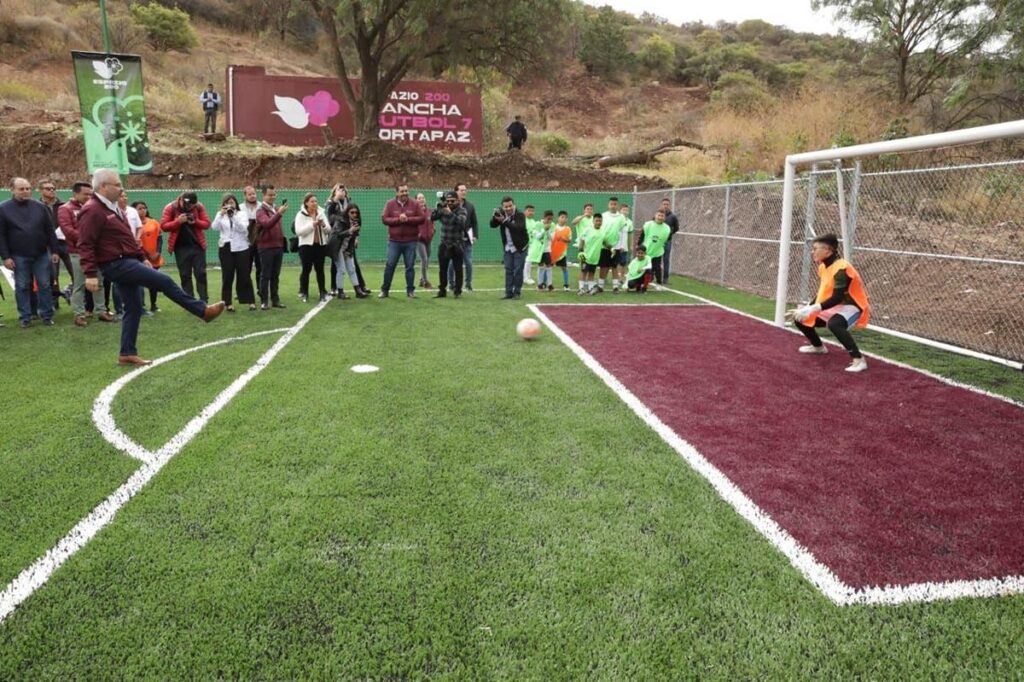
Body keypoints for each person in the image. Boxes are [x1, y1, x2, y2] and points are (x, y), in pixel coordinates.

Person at [77, 169, 224, 365]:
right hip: (116, 263)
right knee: (163, 280)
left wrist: (140, 257)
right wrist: (90, 273)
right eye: (117, 184)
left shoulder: (112, 207)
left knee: (134, 307)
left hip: (127, 260)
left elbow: (126, 237)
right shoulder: (92, 209)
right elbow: (85, 243)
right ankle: (202, 311)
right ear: (103, 187)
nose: (121, 188)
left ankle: (126, 353)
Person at [792, 234, 871, 373]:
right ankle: (818, 347)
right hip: (835, 305)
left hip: (852, 305)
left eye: (815, 248)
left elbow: (837, 297)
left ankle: (859, 360)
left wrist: (814, 308)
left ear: (828, 250)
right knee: (800, 318)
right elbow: (825, 292)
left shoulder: (841, 268)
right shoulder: (823, 267)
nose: (812, 251)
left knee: (835, 324)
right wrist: (808, 308)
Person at [0, 177, 60, 327]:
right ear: (12, 190)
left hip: (41, 253)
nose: (26, 192)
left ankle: (47, 315)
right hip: (18, 255)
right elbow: (1, 235)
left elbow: (49, 231)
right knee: (22, 286)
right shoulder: (3, 209)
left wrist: (54, 251)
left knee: (45, 285)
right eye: (22, 189)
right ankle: (25, 317)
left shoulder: (40, 207)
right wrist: (6, 257)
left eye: (28, 188)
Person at [59, 182, 113, 326]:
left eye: (91, 194)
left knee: (99, 282)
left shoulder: (93, 207)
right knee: (80, 285)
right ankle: (79, 314)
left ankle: (101, 311)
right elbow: (67, 230)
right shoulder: (66, 209)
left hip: (97, 252)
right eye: (86, 194)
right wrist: (88, 237)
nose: (89, 197)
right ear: (75, 193)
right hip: (78, 252)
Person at [160, 191, 210, 302]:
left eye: (192, 205)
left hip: (197, 246)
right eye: (188, 205)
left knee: (201, 273)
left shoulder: (199, 206)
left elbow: (207, 224)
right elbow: (163, 226)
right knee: (185, 275)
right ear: (182, 200)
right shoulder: (170, 207)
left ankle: (203, 300)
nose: (190, 207)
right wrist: (178, 221)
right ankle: (190, 302)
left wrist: (195, 221)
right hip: (180, 248)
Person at [211, 193, 256, 311]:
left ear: (236, 203)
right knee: (227, 275)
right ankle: (227, 303)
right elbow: (214, 227)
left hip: (241, 247)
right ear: (223, 205)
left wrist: (233, 216)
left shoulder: (241, 214)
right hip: (225, 247)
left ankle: (250, 301)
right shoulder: (220, 215)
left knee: (244, 275)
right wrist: (221, 215)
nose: (230, 205)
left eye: (232, 202)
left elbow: (243, 229)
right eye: (227, 203)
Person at [379, 183, 424, 298]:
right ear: (397, 193)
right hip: (394, 241)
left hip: (411, 241)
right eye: (402, 191)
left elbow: (422, 218)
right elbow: (384, 219)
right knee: (390, 265)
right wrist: (398, 220)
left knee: (410, 267)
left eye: (406, 191)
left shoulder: (415, 204)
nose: (405, 193)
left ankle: (410, 291)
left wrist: (407, 219)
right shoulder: (389, 204)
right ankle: (385, 290)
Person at [294, 192, 331, 303]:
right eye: (312, 201)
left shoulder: (321, 213)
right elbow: (299, 232)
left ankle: (322, 292)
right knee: (306, 270)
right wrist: (312, 225)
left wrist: (323, 224)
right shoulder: (300, 214)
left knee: (320, 269)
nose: (314, 203)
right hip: (306, 247)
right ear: (306, 203)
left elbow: (329, 230)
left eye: (315, 201)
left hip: (320, 245)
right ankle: (304, 292)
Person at [431, 190, 469, 298]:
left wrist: (450, 213)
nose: (450, 203)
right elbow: (432, 217)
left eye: (452, 201)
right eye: (448, 201)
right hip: (444, 243)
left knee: (458, 269)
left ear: (457, 200)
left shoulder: (462, 210)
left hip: (457, 244)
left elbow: (461, 224)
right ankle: (442, 290)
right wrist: (438, 208)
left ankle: (457, 291)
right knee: (442, 269)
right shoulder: (444, 208)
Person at [255, 185, 288, 310]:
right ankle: (264, 301)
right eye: (270, 195)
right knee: (266, 275)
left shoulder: (275, 209)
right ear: (263, 195)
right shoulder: (260, 210)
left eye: (274, 195)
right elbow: (267, 224)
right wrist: (279, 214)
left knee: (275, 275)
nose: (272, 197)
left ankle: (275, 300)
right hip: (266, 247)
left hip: (278, 246)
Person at [490, 196, 528, 299]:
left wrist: (504, 221)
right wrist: (495, 217)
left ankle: (517, 293)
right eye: (506, 207)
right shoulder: (501, 213)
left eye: (510, 206)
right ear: (503, 207)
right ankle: (508, 293)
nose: (508, 208)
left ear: (514, 205)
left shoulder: (520, 215)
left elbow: (518, 228)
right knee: (508, 270)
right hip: (508, 247)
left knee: (518, 270)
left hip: (520, 247)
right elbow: (492, 225)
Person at [328, 202, 366, 299]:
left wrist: (350, 250)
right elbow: (337, 235)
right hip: (336, 247)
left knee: (352, 268)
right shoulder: (341, 221)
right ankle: (340, 292)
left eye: (356, 213)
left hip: (346, 248)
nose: (354, 214)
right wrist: (350, 230)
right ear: (347, 212)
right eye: (352, 212)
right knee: (341, 269)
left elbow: (352, 239)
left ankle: (358, 290)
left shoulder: (356, 222)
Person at [133, 201, 165, 314]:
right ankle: (140, 305)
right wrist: (145, 255)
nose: (142, 210)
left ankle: (153, 305)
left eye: (144, 208)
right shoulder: (133, 225)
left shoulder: (154, 222)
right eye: (139, 208)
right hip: (140, 257)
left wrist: (157, 252)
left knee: (153, 281)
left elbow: (160, 239)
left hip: (154, 257)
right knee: (139, 282)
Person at [451, 183, 477, 291]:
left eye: (465, 190)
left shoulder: (470, 206)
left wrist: (475, 235)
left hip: (467, 239)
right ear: (456, 191)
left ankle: (468, 284)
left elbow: (474, 222)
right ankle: (451, 284)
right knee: (452, 263)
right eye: (461, 190)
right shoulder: (450, 204)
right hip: (454, 239)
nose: (464, 192)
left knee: (469, 262)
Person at [600, 197, 628, 292]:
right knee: (603, 266)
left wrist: (622, 245)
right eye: (611, 204)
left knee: (614, 266)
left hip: (616, 247)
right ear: (608, 205)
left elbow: (623, 232)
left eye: (615, 204)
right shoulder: (603, 215)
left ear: (617, 205)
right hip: (604, 246)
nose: (613, 206)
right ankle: (600, 286)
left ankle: (615, 286)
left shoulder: (621, 217)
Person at [638, 210, 671, 285]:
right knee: (644, 267)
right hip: (646, 251)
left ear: (664, 218)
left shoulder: (667, 228)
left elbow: (668, 238)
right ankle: (641, 282)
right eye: (659, 215)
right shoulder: (648, 225)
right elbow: (642, 236)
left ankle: (659, 283)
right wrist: (639, 245)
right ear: (655, 216)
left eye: (662, 216)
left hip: (657, 251)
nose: (660, 217)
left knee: (657, 268)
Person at [240, 185, 262, 286]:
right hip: (245, 242)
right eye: (249, 194)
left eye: (253, 193)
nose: (252, 196)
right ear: (245, 196)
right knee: (245, 267)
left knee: (260, 267)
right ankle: (244, 291)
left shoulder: (262, 206)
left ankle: (260, 289)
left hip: (260, 241)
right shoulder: (240, 207)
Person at [578, 213, 604, 296]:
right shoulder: (588, 229)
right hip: (586, 256)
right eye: (597, 220)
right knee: (584, 272)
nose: (598, 222)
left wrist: (611, 248)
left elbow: (604, 241)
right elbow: (582, 239)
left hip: (595, 257)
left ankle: (590, 288)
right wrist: (581, 251)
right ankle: (581, 288)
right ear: (593, 221)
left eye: (600, 221)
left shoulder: (602, 231)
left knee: (592, 273)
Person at [414, 193, 434, 289]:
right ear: (416, 200)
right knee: (424, 259)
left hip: (429, 239)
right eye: (419, 198)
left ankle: (422, 280)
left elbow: (432, 223)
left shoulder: (430, 211)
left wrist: (433, 230)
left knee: (427, 260)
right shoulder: (414, 212)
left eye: (423, 197)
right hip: (419, 240)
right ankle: (426, 281)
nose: (421, 199)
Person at [659, 197, 680, 284]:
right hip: (658, 241)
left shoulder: (673, 216)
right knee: (656, 259)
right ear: (661, 205)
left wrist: (670, 233)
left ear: (669, 205)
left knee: (666, 259)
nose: (665, 206)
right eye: (664, 204)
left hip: (667, 241)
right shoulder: (658, 214)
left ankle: (665, 278)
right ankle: (655, 276)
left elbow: (676, 228)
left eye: (667, 204)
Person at [551, 210, 573, 291]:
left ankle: (566, 285)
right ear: (558, 218)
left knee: (564, 268)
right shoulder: (553, 227)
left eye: (565, 217)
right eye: (562, 217)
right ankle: (547, 284)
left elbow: (570, 240)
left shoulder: (568, 229)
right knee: (548, 268)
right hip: (552, 252)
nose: (563, 219)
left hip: (562, 253)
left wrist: (565, 239)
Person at [535, 210, 555, 292]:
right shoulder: (538, 224)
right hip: (540, 250)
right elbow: (537, 237)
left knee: (549, 267)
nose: (549, 221)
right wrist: (544, 230)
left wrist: (547, 230)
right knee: (540, 266)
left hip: (548, 249)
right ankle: (540, 284)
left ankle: (549, 284)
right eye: (548, 219)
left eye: (551, 219)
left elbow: (552, 238)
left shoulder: (553, 225)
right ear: (544, 217)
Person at [524, 205, 542, 286]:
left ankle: (527, 277)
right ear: (525, 211)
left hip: (531, 245)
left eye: (532, 211)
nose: (531, 212)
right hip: (523, 245)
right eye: (529, 210)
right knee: (526, 261)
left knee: (528, 261)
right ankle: (525, 278)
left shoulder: (534, 222)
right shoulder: (523, 221)